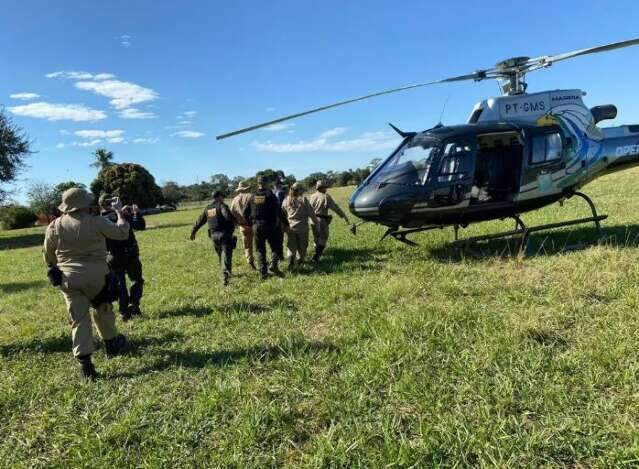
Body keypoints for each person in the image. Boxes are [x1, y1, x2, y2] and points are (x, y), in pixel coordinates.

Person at [43, 188, 130, 381]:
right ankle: (111, 343)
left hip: (69, 279)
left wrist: (56, 268)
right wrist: (119, 213)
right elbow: (122, 233)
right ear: (84, 203)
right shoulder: (96, 221)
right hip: (97, 276)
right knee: (103, 308)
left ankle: (86, 366)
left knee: (79, 319)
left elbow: (48, 254)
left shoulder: (54, 226)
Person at [99, 194, 146, 321]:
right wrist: (136, 213)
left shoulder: (99, 221)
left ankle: (125, 312)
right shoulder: (123, 214)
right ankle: (134, 304)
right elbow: (140, 225)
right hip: (129, 253)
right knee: (137, 280)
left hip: (113, 256)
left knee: (121, 285)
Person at [190, 191, 237, 286]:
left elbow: (200, 221)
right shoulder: (222, 206)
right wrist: (234, 222)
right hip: (224, 234)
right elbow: (227, 216)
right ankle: (225, 274)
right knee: (226, 254)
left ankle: (226, 271)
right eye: (222, 196)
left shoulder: (208, 209)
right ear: (219, 197)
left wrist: (193, 232)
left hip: (214, 236)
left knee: (221, 254)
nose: (223, 198)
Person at [243, 176, 284, 279]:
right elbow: (278, 210)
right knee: (276, 246)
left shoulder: (252, 196)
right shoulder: (270, 195)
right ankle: (273, 265)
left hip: (256, 227)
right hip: (270, 225)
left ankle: (263, 273)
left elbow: (245, 212)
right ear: (266, 183)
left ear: (258, 183)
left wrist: (250, 223)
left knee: (260, 250)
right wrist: (282, 222)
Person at [309, 180, 352, 262]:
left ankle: (317, 252)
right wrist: (344, 216)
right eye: (325, 187)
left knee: (316, 238)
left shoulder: (312, 196)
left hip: (312, 220)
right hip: (321, 220)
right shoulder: (326, 197)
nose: (326, 189)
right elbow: (335, 208)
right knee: (323, 238)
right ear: (323, 188)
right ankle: (316, 257)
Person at [281, 182, 319, 269]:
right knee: (302, 246)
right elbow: (311, 214)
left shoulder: (286, 200)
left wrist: (284, 226)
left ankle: (291, 260)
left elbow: (282, 213)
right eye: (302, 189)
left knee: (291, 246)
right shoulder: (303, 200)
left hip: (290, 228)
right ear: (299, 190)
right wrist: (317, 224)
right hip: (302, 228)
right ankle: (300, 261)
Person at [230, 181, 256, 270]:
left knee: (247, 246)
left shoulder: (234, 200)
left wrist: (237, 223)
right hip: (254, 225)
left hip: (243, 226)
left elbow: (232, 214)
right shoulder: (252, 196)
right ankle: (263, 261)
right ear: (247, 189)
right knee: (259, 244)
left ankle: (250, 262)